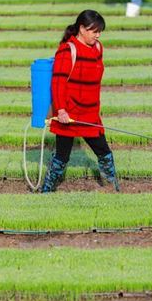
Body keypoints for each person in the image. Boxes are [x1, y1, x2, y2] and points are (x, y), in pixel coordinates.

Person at [40, 10, 120, 193]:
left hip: (90, 113)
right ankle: (46, 190)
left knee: (104, 152)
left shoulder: (98, 48)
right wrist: (60, 110)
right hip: (69, 114)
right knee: (62, 156)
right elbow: (58, 83)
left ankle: (114, 188)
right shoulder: (68, 50)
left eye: (100, 31)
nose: (98, 35)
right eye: (94, 31)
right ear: (82, 29)